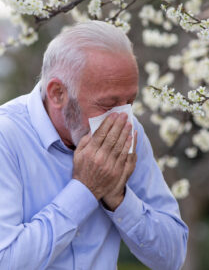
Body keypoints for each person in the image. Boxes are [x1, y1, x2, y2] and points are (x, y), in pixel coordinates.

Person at [0, 21, 188, 270]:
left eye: (130, 101)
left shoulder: (128, 131)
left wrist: (118, 197)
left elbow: (172, 256)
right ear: (58, 93)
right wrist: (86, 189)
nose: (122, 116)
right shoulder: (7, 137)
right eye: (108, 104)